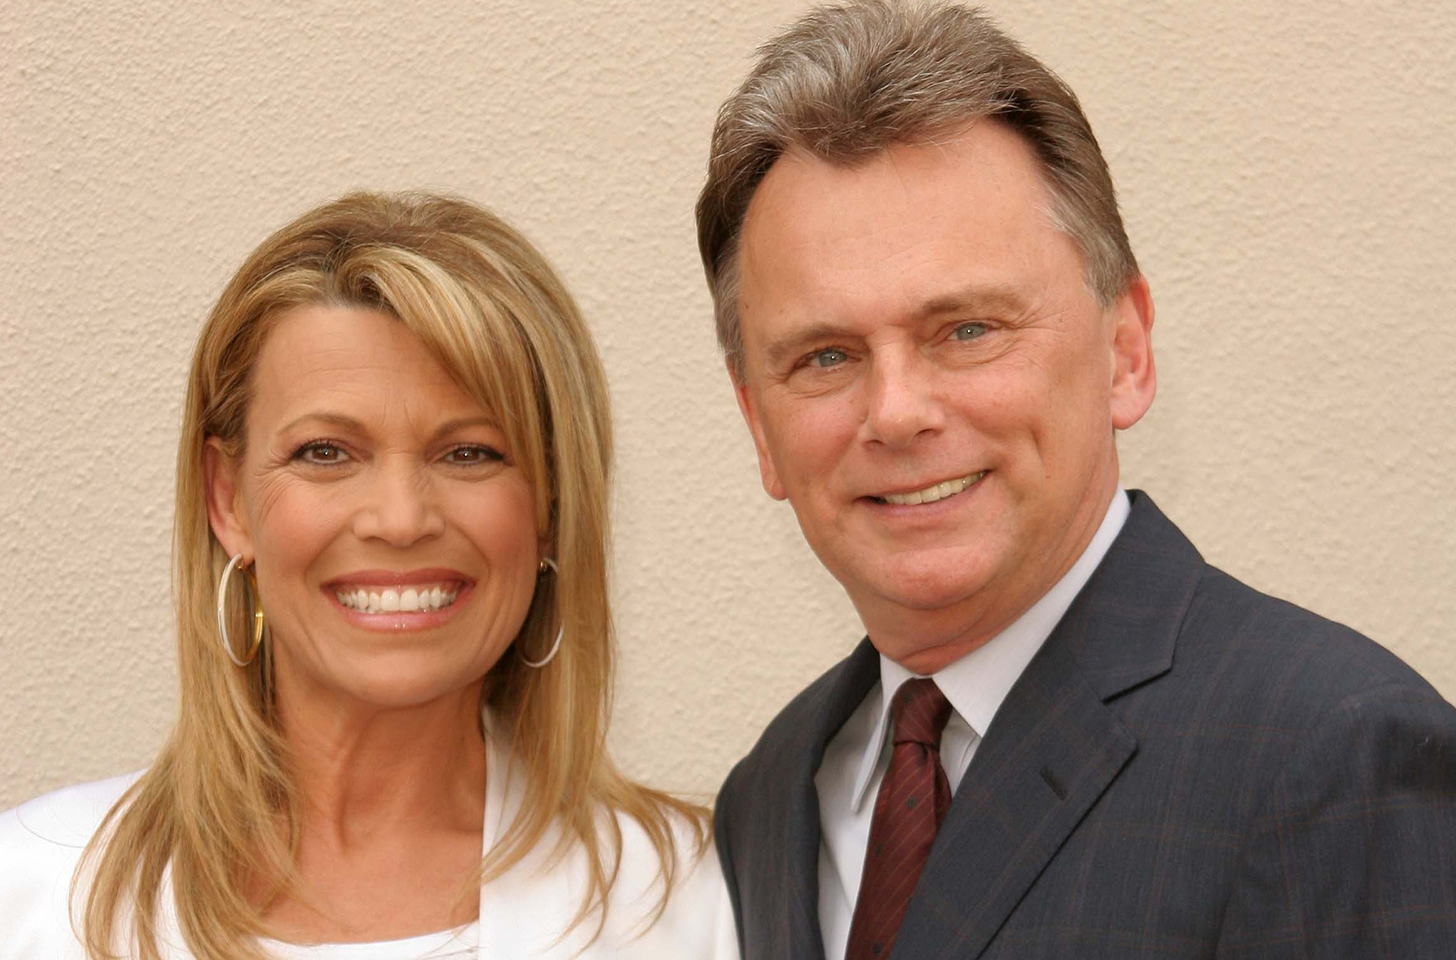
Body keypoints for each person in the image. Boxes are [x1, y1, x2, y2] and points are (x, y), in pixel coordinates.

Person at [694, 3, 1456, 959]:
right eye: (825, 356)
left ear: (1125, 352)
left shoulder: (1337, 758)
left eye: (968, 330)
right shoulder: (770, 798)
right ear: (759, 426)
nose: (895, 412)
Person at [0, 192, 736, 959]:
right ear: (228, 500)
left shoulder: (688, 903)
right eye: (325, 452)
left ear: (551, 502)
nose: (400, 518)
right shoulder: (28, 895)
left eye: (470, 452)